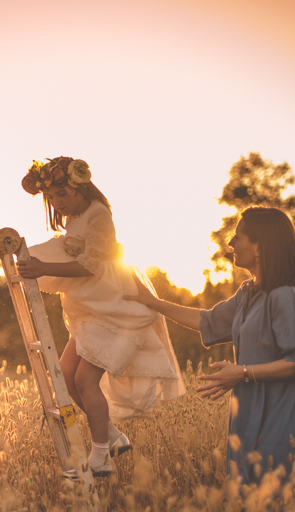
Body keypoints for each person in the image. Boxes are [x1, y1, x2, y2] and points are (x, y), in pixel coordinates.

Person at [124, 206, 295, 495]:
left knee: (279, 502)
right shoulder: (248, 293)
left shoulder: (284, 296)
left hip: (281, 416)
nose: (230, 244)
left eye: (238, 237)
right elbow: (207, 321)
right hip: (249, 413)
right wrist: (151, 302)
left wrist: (242, 373)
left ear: (259, 247)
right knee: (247, 503)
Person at [17, 157, 184, 476]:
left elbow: (91, 265)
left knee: (84, 379)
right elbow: (69, 249)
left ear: (80, 188)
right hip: (88, 305)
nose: (57, 203)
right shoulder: (73, 217)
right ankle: (112, 435)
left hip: (113, 303)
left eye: (61, 195)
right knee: (66, 375)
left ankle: (101, 456)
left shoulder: (99, 214)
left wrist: (43, 268)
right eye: (51, 198)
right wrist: (40, 257)